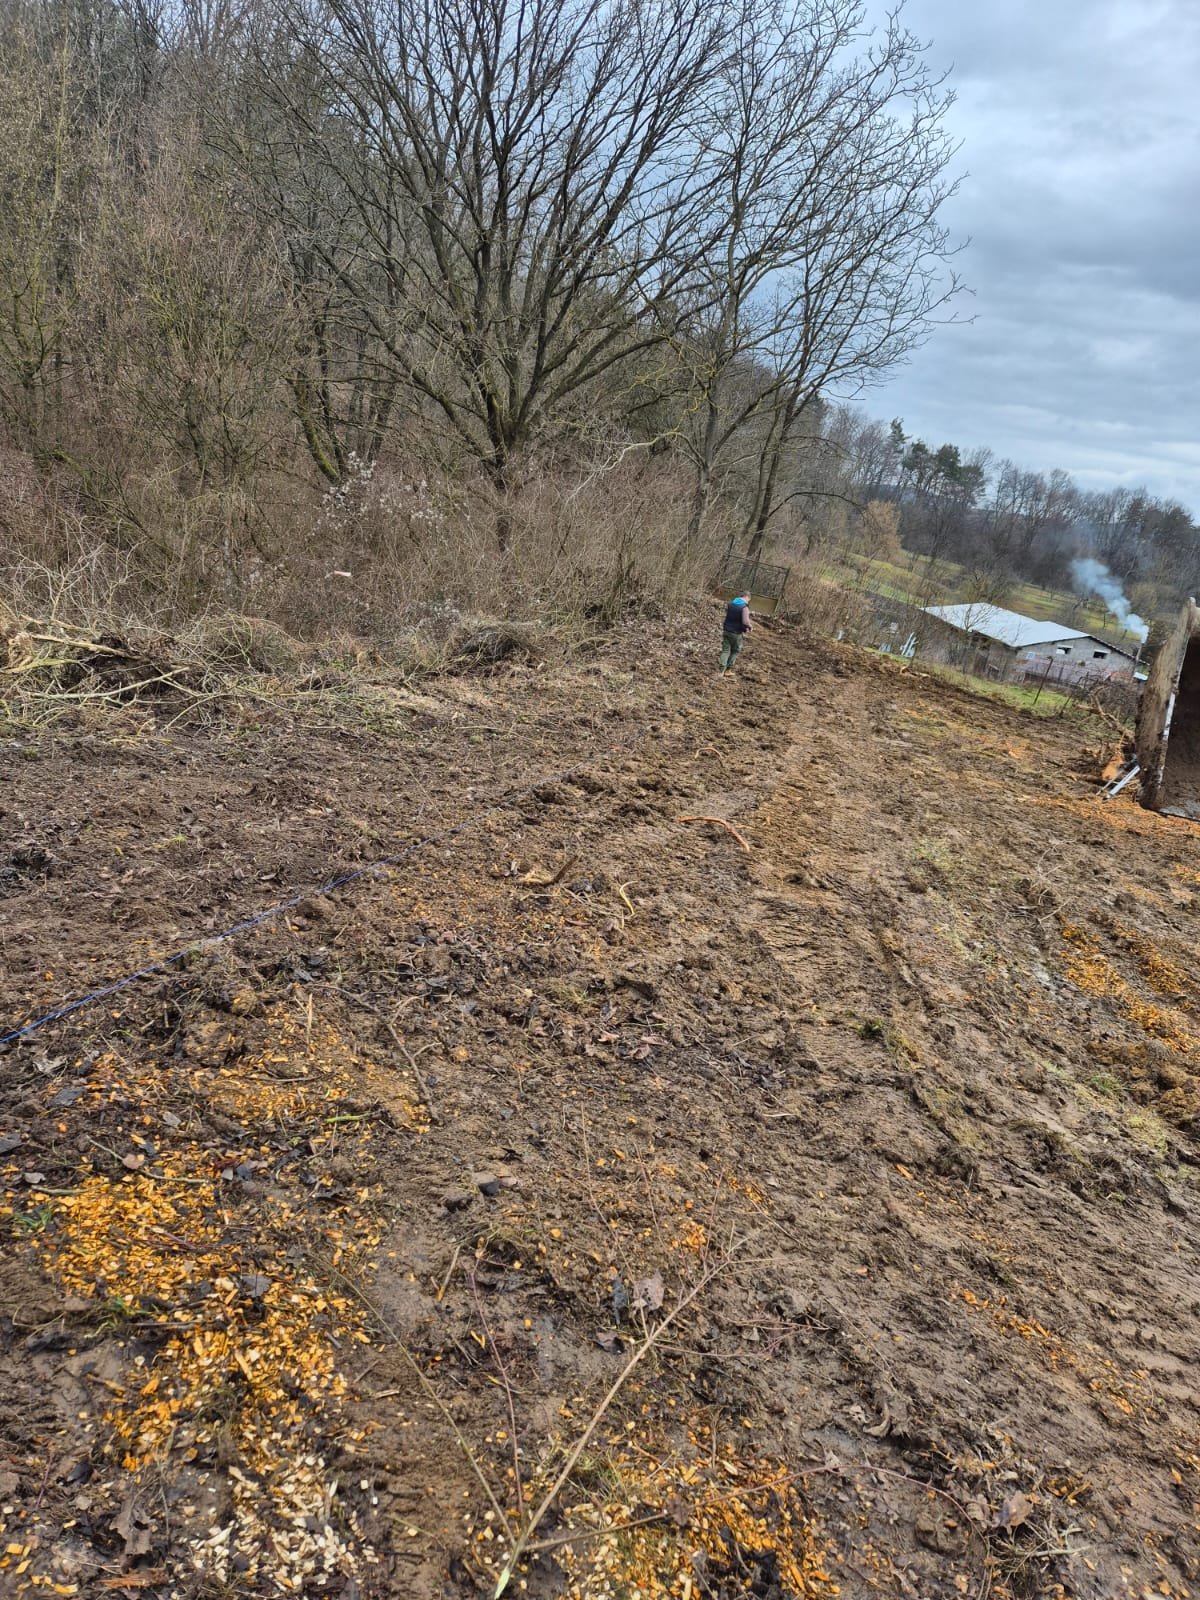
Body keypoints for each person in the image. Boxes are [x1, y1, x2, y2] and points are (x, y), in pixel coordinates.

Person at [720, 594, 752, 673]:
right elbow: (745, 622)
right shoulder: (744, 607)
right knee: (735, 651)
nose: (748, 601)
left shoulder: (731, 604)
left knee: (725, 650)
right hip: (736, 632)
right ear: (747, 597)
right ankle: (728, 670)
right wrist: (750, 626)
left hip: (726, 630)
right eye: (749, 600)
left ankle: (721, 670)